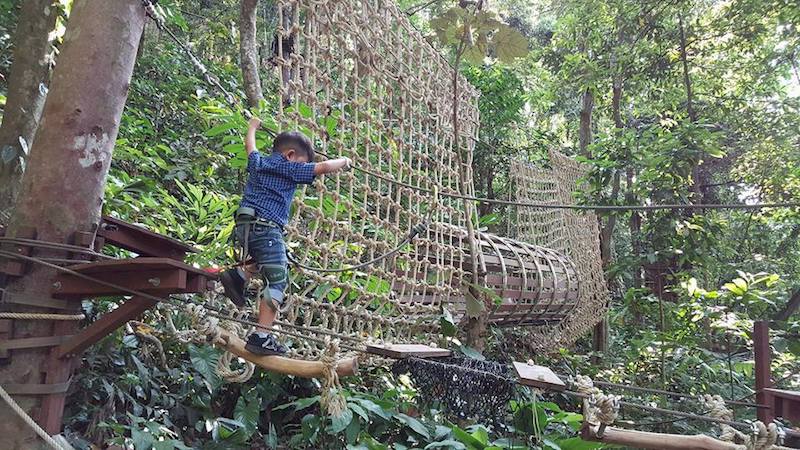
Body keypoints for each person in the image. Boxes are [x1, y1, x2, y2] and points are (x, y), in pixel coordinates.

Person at [220, 116, 350, 355]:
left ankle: (238, 276)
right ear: (290, 155)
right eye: (302, 161)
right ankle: (262, 336)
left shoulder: (258, 162)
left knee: (262, 262)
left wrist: (252, 127)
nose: (302, 166)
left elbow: (251, 146)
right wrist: (344, 160)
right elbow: (323, 168)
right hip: (268, 229)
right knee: (278, 278)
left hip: (245, 228)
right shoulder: (288, 167)